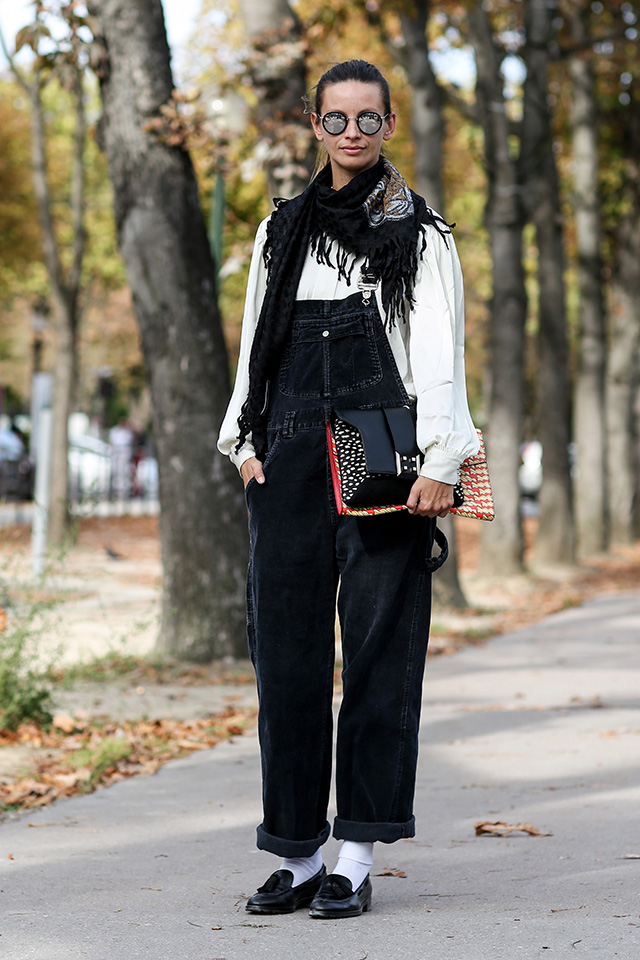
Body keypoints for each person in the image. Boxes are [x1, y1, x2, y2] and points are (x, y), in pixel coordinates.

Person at [217, 59, 479, 919]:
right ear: (316, 125)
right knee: (285, 657)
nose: (353, 133)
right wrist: (243, 442)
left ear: (389, 125)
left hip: (379, 443)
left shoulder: (420, 235)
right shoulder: (280, 230)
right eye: (337, 118)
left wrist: (441, 460)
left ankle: (357, 855)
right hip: (287, 450)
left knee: (377, 652)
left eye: (369, 118)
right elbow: (256, 342)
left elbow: (439, 355)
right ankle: (296, 855)